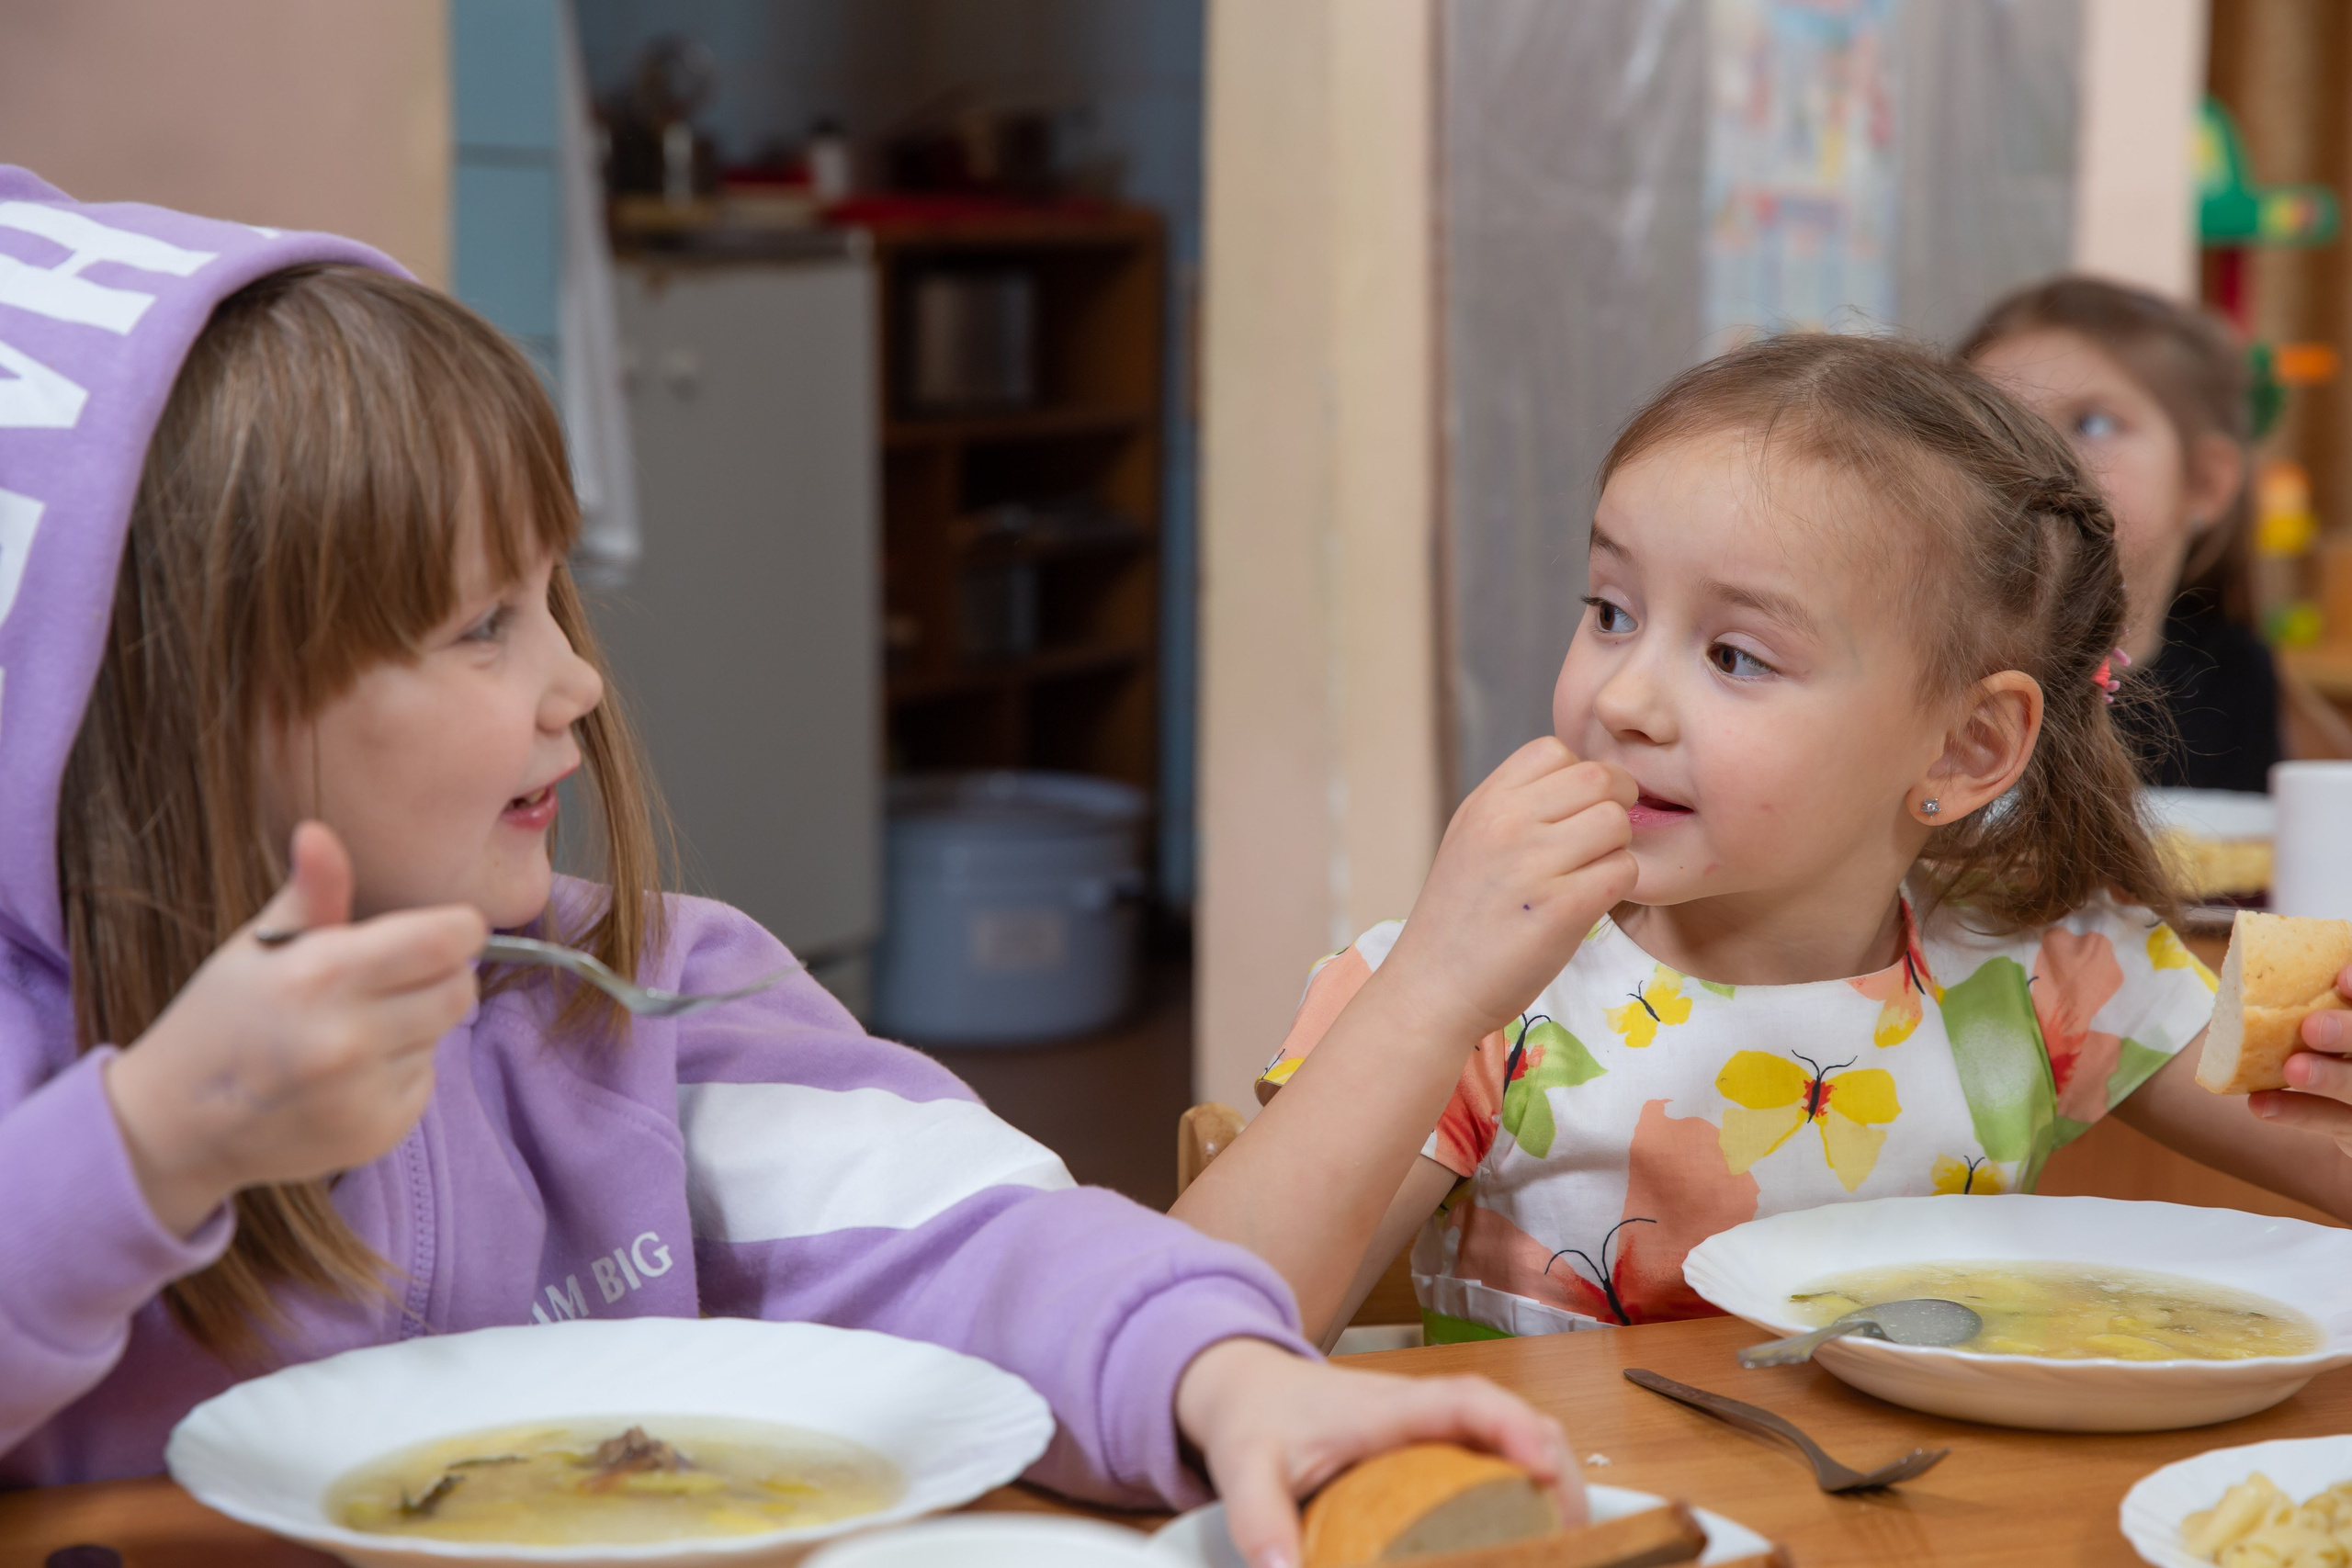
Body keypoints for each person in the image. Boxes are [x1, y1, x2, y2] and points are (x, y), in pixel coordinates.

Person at [0, 168, 1575, 1567]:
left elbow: (976, 1239)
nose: (575, 682)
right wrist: (148, 1148)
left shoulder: (650, 999)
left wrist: (1229, 1377)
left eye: (556, 598)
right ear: (180, 706)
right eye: (482, 624)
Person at [1171, 333, 2352, 1349]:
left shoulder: (2050, 975)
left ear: (1963, 749)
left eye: (1734, 655)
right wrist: (1427, 991)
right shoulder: (1477, 995)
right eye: (1610, 611)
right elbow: (1181, 1334)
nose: (1624, 697)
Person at [1962, 276, 2272, 793]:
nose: (2033, 454)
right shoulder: (1928, 661)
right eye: (1995, 423)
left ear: (2205, 484)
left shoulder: (2235, 673)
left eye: (2094, 425)